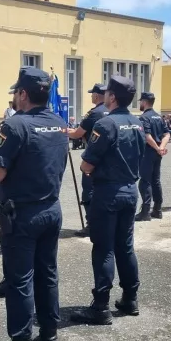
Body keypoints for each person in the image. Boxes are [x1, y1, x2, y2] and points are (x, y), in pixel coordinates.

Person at [0, 67, 68, 341]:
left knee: (20, 280)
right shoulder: (59, 123)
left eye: (15, 93)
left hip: (22, 213)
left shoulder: (15, 125)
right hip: (51, 209)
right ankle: (49, 337)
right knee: (47, 275)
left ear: (22, 94)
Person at [71, 75, 145, 325]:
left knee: (103, 248)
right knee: (125, 246)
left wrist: (88, 169)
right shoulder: (137, 123)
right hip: (129, 190)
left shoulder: (106, 124)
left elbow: (87, 164)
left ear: (112, 97)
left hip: (108, 193)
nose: (103, 95)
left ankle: (100, 306)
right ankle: (130, 298)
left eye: (107, 92)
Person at [67, 84, 108, 236]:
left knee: (89, 192)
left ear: (97, 96)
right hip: (111, 160)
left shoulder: (94, 113)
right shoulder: (113, 111)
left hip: (94, 159)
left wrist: (64, 131)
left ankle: (92, 225)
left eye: (92, 94)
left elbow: (77, 134)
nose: (91, 96)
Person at [136, 92, 169, 221]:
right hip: (157, 153)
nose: (140, 104)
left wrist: (156, 148)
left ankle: (145, 211)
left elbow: (147, 136)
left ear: (144, 102)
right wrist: (161, 148)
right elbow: (167, 134)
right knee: (156, 180)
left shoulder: (144, 118)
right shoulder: (159, 117)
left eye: (140, 102)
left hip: (148, 152)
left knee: (145, 181)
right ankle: (158, 209)